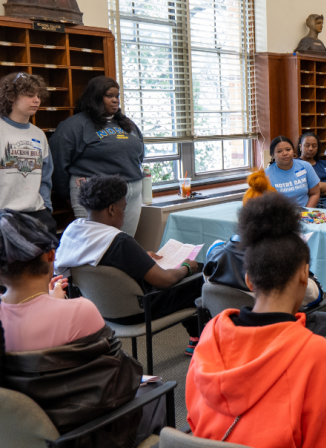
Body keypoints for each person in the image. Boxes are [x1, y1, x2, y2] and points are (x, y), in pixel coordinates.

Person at [186, 192, 326, 448]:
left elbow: (194, 415)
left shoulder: (211, 331)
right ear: (305, 275)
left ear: (249, 279)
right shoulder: (313, 351)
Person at [0, 209, 163, 447]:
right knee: (155, 391)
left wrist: (50, 304)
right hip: (85, 433)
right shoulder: (79, 311)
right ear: (50, 256)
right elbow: (123, 376)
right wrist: (57, 306)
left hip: (24, 433)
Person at [53, 174, 201, 353]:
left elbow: (107, 265)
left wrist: (141, 257)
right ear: (112, 209)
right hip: (137, 311)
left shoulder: (74, 231)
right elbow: (164, 281)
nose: (124, 213)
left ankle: (196, 338)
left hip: (99, 309)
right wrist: (187, 268)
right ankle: (200, 340)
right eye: (124, 208)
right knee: (199, 279)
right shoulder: (119, 241)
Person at [203, 170, 326, 337]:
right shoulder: (284, 262)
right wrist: (305, 269)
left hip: (229, 330)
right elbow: (314, 298)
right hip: (279, 331)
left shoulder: (214, 251)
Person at [50, 76, 145, 235]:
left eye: (117, 96)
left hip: (132, 191)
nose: (115, 101)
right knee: (96, 246)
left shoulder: (126, 123)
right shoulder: (75, 125)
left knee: (125, 244)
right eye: (109, 96)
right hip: (96, 193)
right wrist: (69, 194)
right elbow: (58, 163)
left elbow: (138, 154)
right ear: (95, 97)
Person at [0, 72, 56, 234]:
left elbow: (45, 176)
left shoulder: (39, 134)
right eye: (30, 95)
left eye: (38, 96)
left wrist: (46, 207)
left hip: (37, 213)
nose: (37, 100)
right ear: (11, 97)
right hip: (5, 214)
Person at [265, 135, 321, 208]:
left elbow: (315, 193)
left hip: (305, 213)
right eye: (279, 151)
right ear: (272, 155)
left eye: (288, 149)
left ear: (293, 151)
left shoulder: (306, 166)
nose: (285, 153)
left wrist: (306, 213)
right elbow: (265, 202)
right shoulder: (265, 174)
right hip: (279, 215)